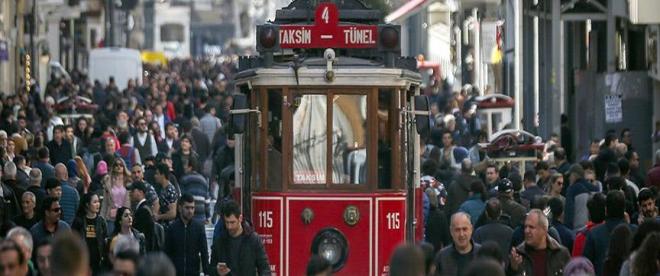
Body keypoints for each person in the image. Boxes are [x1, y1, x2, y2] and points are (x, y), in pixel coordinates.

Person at [209, 200, 271, 276]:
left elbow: (265, 268)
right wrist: (217, 271)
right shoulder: (219, 241)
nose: (229, 227)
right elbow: (211, 269)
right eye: (226, 222)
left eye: (232, 222)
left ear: (240, 218)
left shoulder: (253, 240)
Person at [583, 190, 636, 276]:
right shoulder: (635, 232)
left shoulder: (594, 234)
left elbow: (585, 266)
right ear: (624, 209)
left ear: (606, 209)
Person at [508, 209, 571, 275]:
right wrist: (513, 269)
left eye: (531, 227)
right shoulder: (518, 255)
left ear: (544, 230)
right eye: (525, 227)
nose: (526, 231)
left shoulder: (561, 254)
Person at [165, 193, 209, 276]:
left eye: (192, 208)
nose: (190, 211)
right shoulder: (172, 228)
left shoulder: (199, 228)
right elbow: (167, 253)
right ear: (180, 208)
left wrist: (206, 272)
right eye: (187, 208)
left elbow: (204, 252)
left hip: (193, 273)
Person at [71, 192, 108, 274]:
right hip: (83, 261)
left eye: (98, 201)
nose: (98, 204)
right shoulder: (78, 221)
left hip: (98, 262)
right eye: (94, 202)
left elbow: (105, 240)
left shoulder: (101, 221)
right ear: (87, 204)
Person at [128, 181, 163, 252]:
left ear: (140, 192)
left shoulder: (143, 211)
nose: (130, 193)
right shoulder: (145, 207)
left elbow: (140, 233)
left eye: (133, 191)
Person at [101, 158, 132, 235]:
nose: (118, 167)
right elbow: (105, 202)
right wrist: (101, 218)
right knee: (112, 240)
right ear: (113, 167)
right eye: (116, 165)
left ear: (124, 167)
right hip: (111, 216)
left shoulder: (129, 181)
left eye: (121, 165)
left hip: (125, 215)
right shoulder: (108, 181)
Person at [565, 164, 599, 230]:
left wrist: (568, 228)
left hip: (578, 229)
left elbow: (569, 211)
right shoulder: (595, 189)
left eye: (569, 176)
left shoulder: (572, 190)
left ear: (573, 175)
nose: (569, 178)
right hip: (595, 227)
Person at [178, 158, 210, 222]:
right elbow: (207, 201)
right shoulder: (204, 180)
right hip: (201, 216)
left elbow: (181, 198)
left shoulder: (184, 179)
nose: (184, 168)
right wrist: (207, 216)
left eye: (186, 166)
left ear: (190, 167)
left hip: (188, 216)